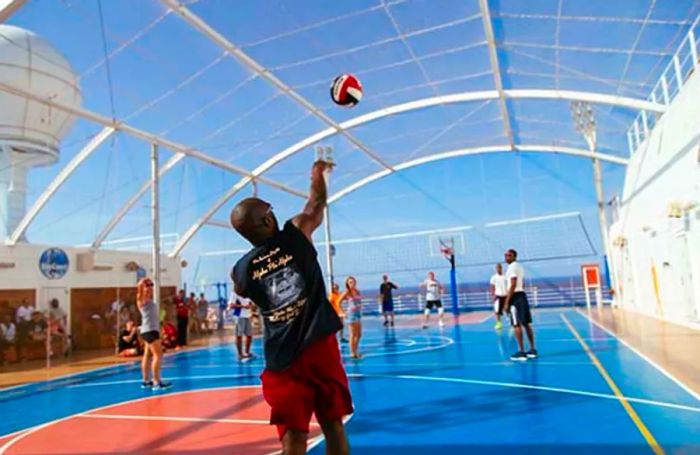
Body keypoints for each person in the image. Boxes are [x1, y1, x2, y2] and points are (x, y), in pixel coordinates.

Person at [230, 160, 351, 455]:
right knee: (332, 425)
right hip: (318, 347)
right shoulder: (295, 233)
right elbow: (316, 203)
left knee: (293, 438)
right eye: (269, 212)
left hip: (282, 360)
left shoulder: (240, 272)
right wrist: (317, 174)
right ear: (267, 221)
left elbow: (242, 290)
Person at [136, 278, 171, 390]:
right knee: (158, 355)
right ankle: (156, 382)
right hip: (149, 331)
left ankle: (146, 380)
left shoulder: (148, 299)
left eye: (151, 285)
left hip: (150, 330)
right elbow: (140, 291)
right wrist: (142, 283)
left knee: (147, 355)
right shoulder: (142, 299)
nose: (150, 287)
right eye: (148, 285)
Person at [504, 249, 538, 361]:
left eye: (509, 255)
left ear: (514, 257)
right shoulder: (519, 266)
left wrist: (507, 302)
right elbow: (521, 283)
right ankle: (532, 349)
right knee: (526, 323)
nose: (506, 257)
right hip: (521, 295)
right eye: (506, 255)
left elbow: (513, 284)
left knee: (516, 324)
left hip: (515, 297)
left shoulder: (512, 267)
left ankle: (521, 351)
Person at [340, 276, 363, 359]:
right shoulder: (347, 292)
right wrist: (343, 313)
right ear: (347, 284)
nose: (352, 283)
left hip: (358, 314)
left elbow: (358, 302)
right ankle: (352, 353)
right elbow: (338, 303)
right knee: (353, 334)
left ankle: (355, 350)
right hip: (351, 314)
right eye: (350, 282)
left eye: (353, 282)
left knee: (359, 334)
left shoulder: (357, 291)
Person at [229, 293, 255, 360]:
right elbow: (231, 305)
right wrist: (243, 306)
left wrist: (251, 306)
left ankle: (247, 352)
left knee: (249, 335)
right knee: (239, 335)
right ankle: (240, 354)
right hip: (239, 315)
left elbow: (250, 303)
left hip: (247, 315)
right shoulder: (235, 294)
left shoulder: (247, 293)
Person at [490, 264, 509, 330]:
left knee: (507, 309)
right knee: (497, 311)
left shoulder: (505, 276)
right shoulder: (493, 277)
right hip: (498, 296)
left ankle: (511, 320)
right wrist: (493, 295)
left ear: (501, 268)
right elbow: (492, 287)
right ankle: (499, 324)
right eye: (497, 268)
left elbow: (509, 285)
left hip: (505, 295)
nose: (498, 269)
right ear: (496, 269)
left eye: (499, 268)